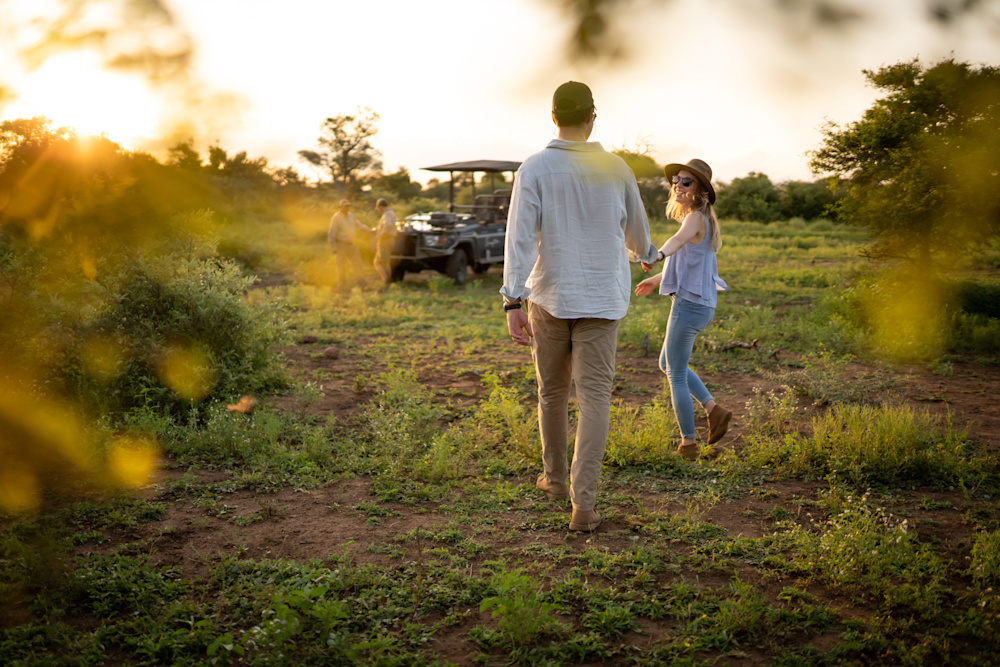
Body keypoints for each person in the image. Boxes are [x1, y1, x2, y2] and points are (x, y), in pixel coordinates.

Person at [502, 81, 659, 533]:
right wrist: (643, 253)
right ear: (593, 116)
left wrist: (513, 299)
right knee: (594, 400)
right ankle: (583, 507)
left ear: (553, 117)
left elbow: (518, 239)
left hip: (549, 297)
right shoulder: (616, 168)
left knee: (551, 392)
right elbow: (640, 240)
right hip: (602, 300)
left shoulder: (533, 168)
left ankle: (553, 481)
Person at [635, 159, 731, 461]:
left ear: (699, 189)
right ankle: (714, 410)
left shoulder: (695, 218)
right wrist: (656, 278)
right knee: (667, 363)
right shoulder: (700, 220)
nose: (678, 184)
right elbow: (689, 262)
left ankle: (688, 444)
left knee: (674, 373)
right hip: (697, 304)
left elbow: (675, 242)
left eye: (686, 181)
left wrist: (657, 254)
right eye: (675, 179)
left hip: (688, 305)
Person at [327, 199, 371, 289]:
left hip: (352, 244)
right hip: (341, 244)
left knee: (358, 263)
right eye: (345, 206)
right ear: (340, 207)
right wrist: (333, 247)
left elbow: (358, 225)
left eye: (348, 206)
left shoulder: (351, 216)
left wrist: (369, 230)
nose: (347, 208)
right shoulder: (336, 218)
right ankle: (342, 285)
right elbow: (332, 233)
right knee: (341, 265)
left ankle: (361, 284)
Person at [373, 198, 398, 288]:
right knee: (380, 261)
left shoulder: (387, 214)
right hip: (388, 239)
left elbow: (387, 225)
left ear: (380, 206)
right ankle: (386, 280)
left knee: (382, 262)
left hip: (386, 239)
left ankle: (387, 281)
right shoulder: (390, 213)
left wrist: (380, 235)